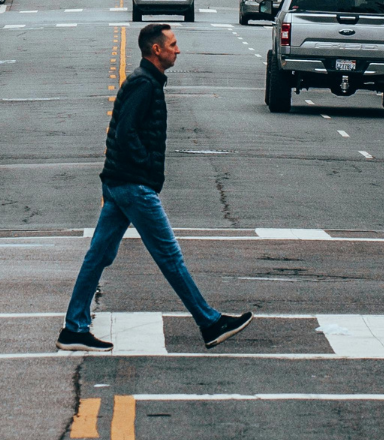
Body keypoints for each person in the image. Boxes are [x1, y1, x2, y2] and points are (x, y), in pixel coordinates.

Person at [56, 24, 253, 352]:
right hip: (134, 185)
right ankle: (209, 322)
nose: (178, 50)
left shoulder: (146, 81)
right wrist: (146, 167)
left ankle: (74, 327)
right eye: (172, 44)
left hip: (120, 183)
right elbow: (125, 133)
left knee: (99, 255)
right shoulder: (144, 84)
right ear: (156, 50)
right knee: (169, 256)